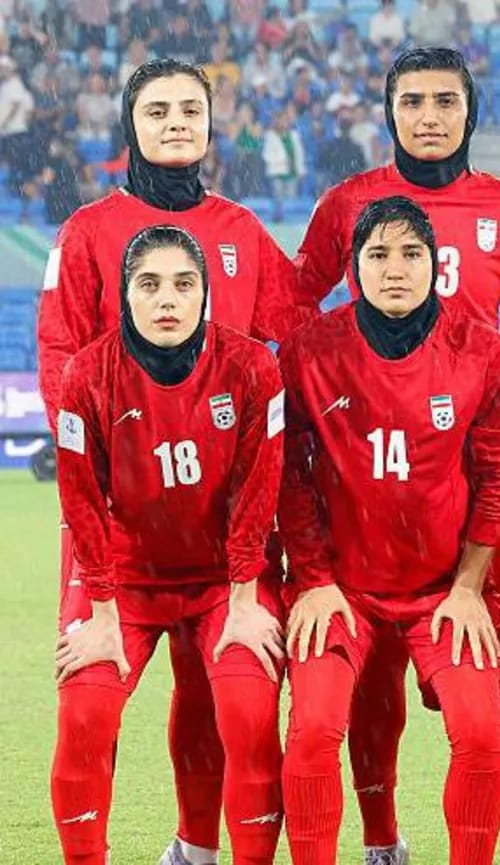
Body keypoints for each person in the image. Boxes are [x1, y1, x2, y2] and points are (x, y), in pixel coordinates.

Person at [294, 48, 500, 863]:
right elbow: (293, 304)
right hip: (365, 468)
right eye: (411, 100)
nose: (428, 116)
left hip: (469, 470)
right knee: (370, 673)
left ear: (469, 112)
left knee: (486, 679)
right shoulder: (348, 204)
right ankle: (381, 838)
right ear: (389, 112)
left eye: (444, 100)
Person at [35, 58, 310, 865]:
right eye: (157, 110)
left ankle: (195, 848)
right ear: (131, 124)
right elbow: (59, 361)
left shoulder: (242, 231)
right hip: (116, 534)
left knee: (221, 697)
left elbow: (300, 339)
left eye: (191, 108)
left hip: (225, 536)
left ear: (212, 123)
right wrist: (117, 463)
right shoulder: (86, 231)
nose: (176, 122)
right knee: (87, 706)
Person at [279, 196, 500, 865]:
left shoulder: (482, 350)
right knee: (314, 728)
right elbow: (290, 478)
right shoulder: (307, 351)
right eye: (378, 254)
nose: (394, 269)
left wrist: (468, 587)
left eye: (411, 253)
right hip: (342, 590)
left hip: (441, 591)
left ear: (435, 264)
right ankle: (370, 845)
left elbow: (497, 476)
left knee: (482, 732)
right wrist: (314, 580)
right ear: (354, 267)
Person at [50, 226, 286, 865]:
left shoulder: (252, 368)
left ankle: (207, 855)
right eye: (149, 284)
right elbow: (81, 501)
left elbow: (258, 493)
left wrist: (244, 600)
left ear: (205, 293)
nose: (167, 300)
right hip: (123, 579)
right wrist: (101, 614)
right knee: (85, 711)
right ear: (124, 294)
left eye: (184, 284)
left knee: (248, 710)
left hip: (224, 581)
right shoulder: (86, 374)